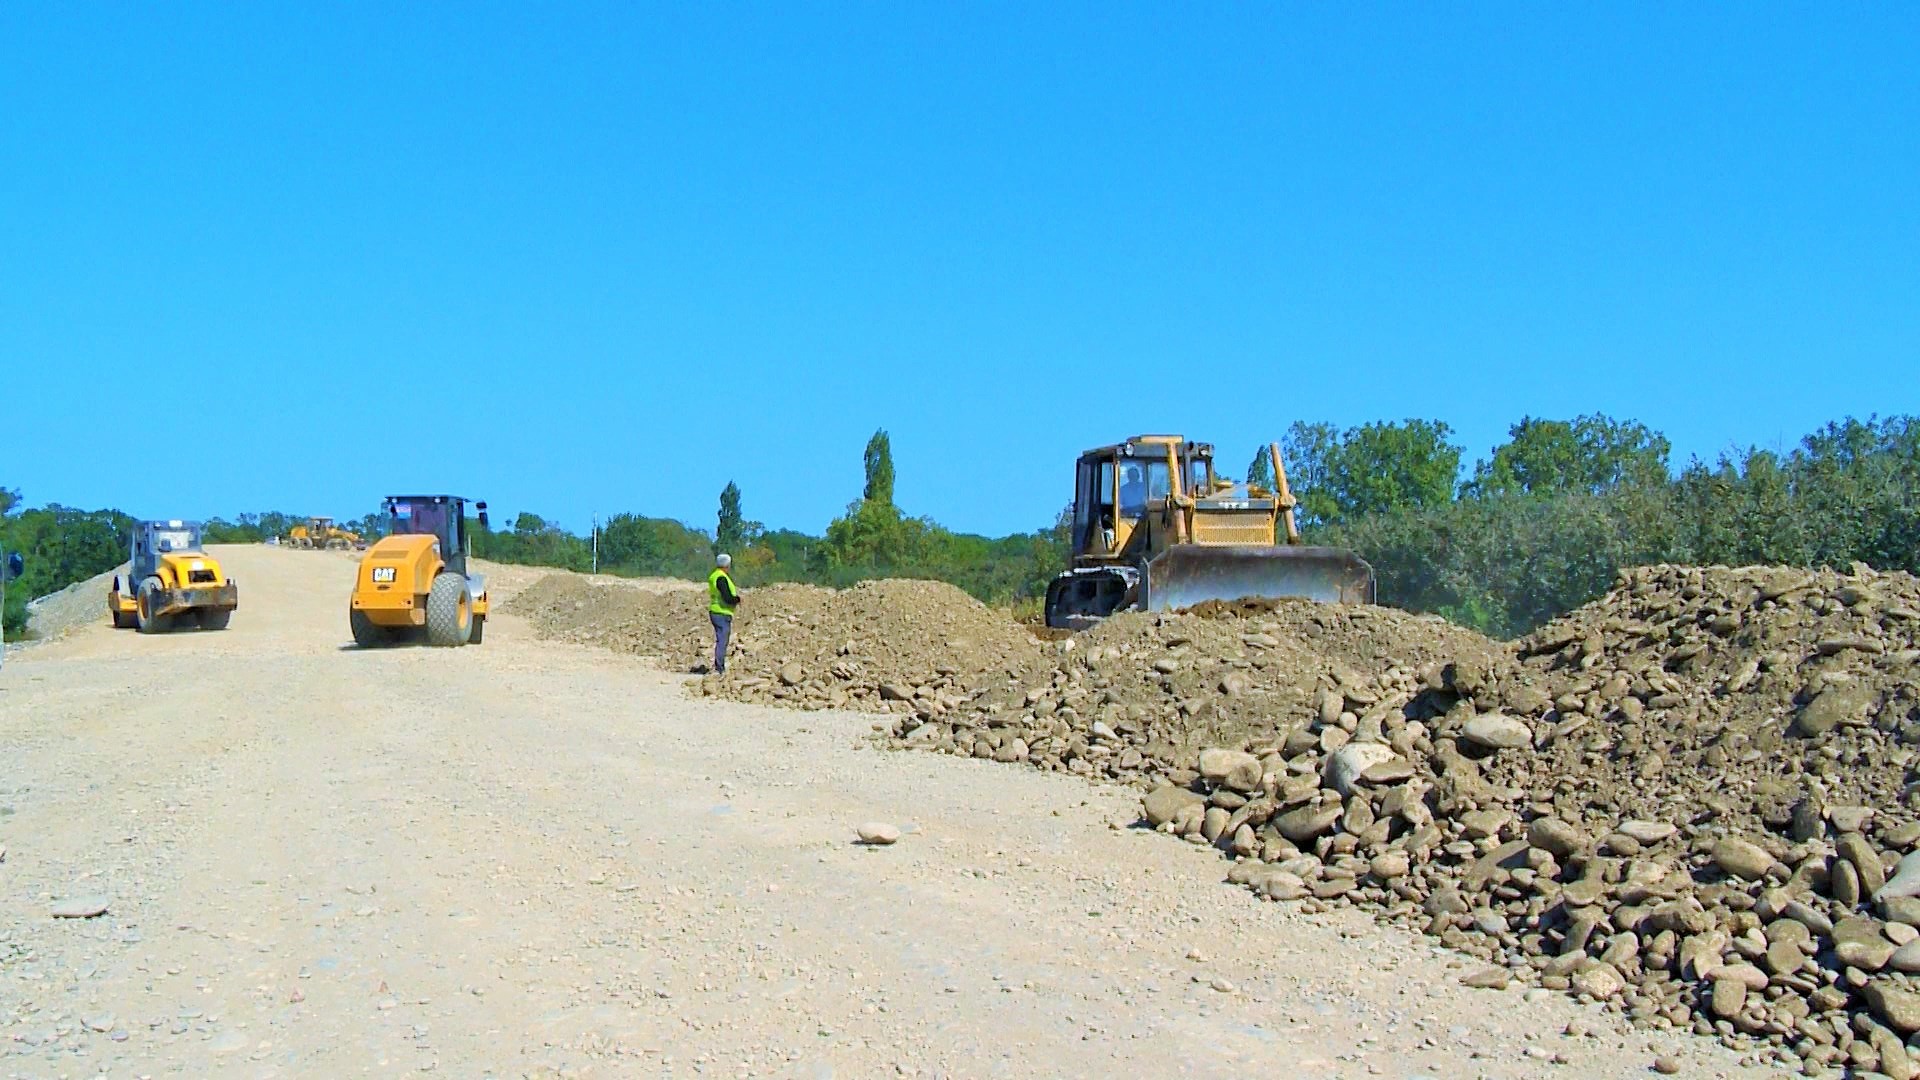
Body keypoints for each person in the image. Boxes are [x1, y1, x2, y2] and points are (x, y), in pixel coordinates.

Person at [707, 553, 742, 674]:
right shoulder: (721, 578)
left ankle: (719, 666)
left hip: (715, 611)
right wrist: (737, 599)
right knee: (722, 640)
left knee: (720, 639)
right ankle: (719, 668)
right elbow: (727, 597)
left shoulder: (714, 575)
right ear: (727, 565)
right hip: (722, 613)